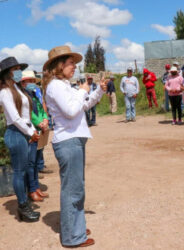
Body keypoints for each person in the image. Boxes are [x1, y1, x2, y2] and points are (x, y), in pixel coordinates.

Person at [42, 45, 108, 247]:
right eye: (71, 63)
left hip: (74, 140)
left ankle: (74, 227)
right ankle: (72, 237)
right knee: (73, 190)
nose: (74, 67)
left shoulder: (64, 85)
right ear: (59, 65)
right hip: (68, 142)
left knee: (75, 187)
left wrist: (97, 92)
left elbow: (83, 106)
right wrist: (82, 91)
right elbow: (71, 111)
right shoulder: (55, 86)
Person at [0, 57, 40, 222]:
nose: (18, 72)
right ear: (7, 73)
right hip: (16, 133)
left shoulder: (18, 89)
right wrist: (31, 132)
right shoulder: (5, 91)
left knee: (23, 170)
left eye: (19, 68)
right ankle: (23, 206)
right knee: (19, 172)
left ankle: (24, 204)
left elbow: (25, 116)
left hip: (23, 132)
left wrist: (31, 130)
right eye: (15, 69)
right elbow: (15, 118)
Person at [21, 70, 49, 202]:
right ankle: (31, 190)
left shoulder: (35, 94)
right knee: (31, 162)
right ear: (23, 82)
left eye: (33, 81)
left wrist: (45, 120)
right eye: (29, 81)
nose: (32, 83)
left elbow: (42, 109)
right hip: (31, 132)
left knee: (37, 161)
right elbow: (29, 114)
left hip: (40, 129)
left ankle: (36, 187)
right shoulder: (22, 97)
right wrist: (39, 123)